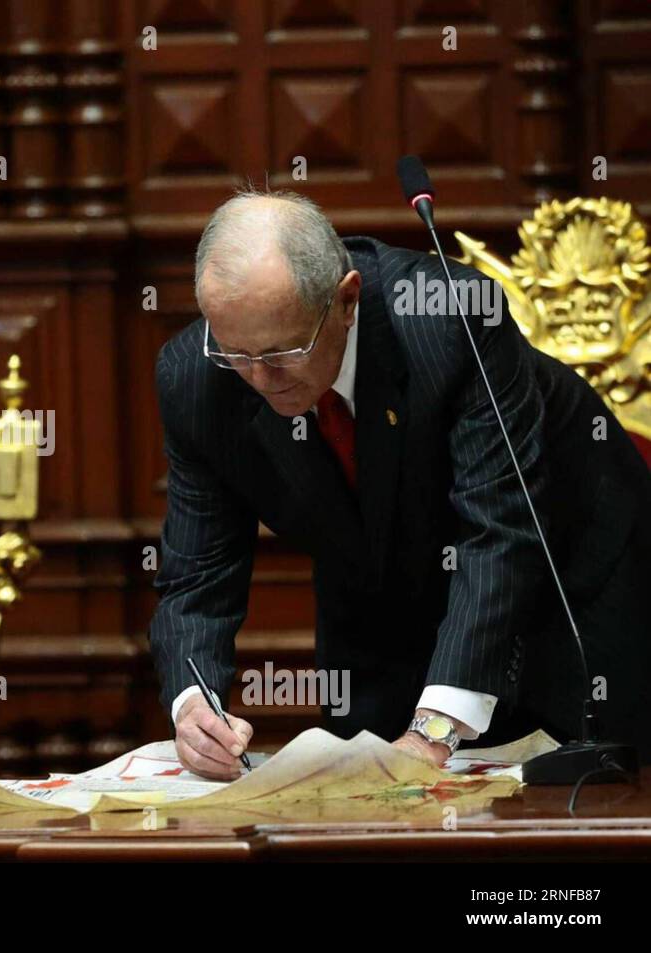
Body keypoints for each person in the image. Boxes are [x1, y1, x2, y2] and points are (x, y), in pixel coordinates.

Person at [152, 187, 651, 779]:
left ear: (346, 300)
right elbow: (197, 572)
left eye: (284, 351)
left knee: (576, 805)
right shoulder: (196, 378)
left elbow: (502, 528)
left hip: (570, 574)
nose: (258, 377)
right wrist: (194, 705)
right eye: (236, 353)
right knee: (373, 801)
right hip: (379, 587)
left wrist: (436, 728)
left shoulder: (452, 319)